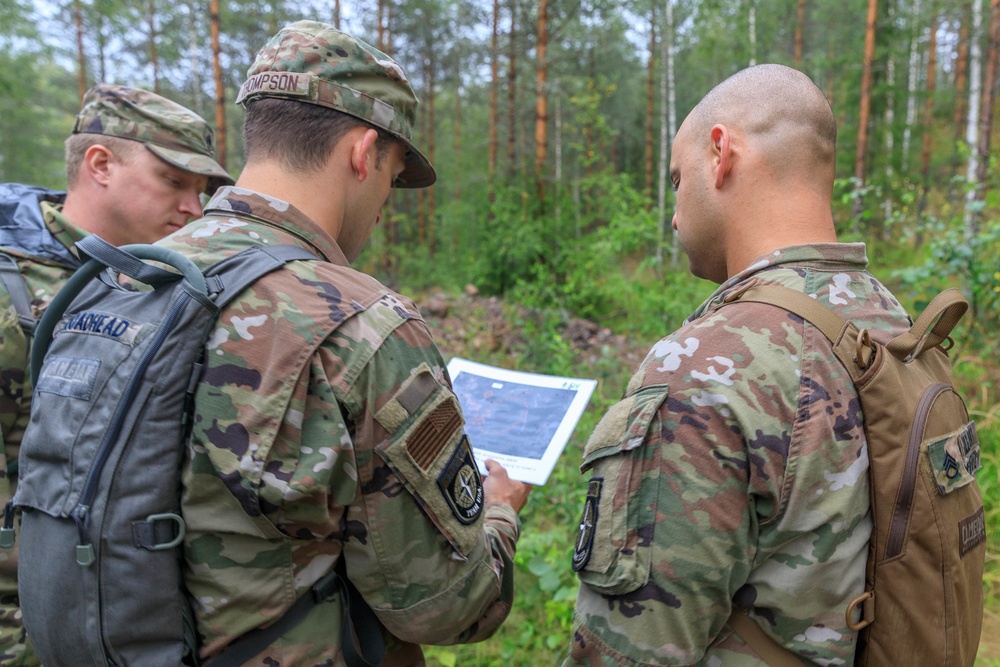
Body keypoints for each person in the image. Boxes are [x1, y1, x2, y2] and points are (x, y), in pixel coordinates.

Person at [153, 20, 531, 665]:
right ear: (364, 152)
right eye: (392, 175)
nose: (385, 202)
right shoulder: (358, 326)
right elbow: (449, 606)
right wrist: (498, 515)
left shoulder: (112, 278)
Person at [564, 64, 913, 666]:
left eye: (676, 181)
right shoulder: (888, 317)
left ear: (720, 153)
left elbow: (626, 652)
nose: (674, 214)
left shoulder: (703, 368)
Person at [0, 83, 231, 666]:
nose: (194, 209)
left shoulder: (170, 282)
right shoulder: (10, 284)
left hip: (125, 608)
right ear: (100, 165)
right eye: (175, 182)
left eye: (201, 190)